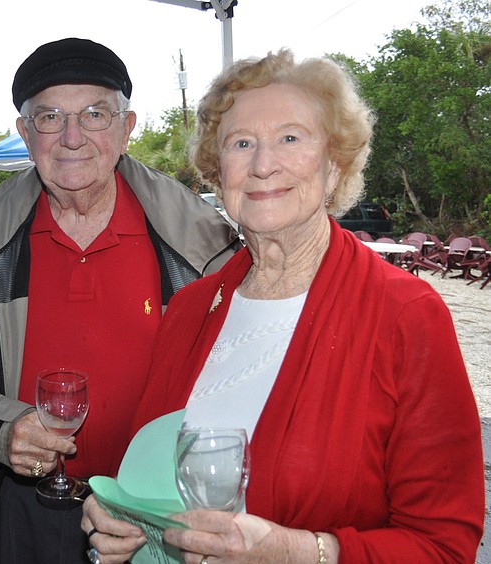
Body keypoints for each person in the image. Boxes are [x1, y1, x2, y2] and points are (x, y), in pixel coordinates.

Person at [81, 48, 484, 563]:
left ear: (334, 167)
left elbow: (444, 545)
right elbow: (151, 476)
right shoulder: (190, 309)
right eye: (241, 143)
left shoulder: (406, 313)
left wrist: (299, 552)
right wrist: (120, 516)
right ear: (218, 173)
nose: (263, 164)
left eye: (290, 138)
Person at [0, 37, 240, 564]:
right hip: (18, 506)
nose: (72, 137)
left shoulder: (200, 242)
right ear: (25, 134)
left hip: (156, 509)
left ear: (127, 129)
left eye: (94, 114)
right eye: (50, 117)